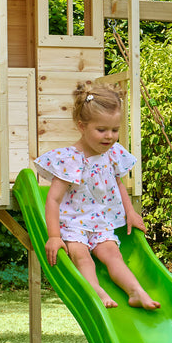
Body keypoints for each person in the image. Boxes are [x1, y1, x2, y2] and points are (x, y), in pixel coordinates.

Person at [34, 83, 160, 310]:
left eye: (114, 129)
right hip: (73, 223)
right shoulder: (70, 159)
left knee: (113, 255)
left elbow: (119, 184)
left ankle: (135, 291)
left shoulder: (113, 154)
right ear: (82, 126)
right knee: (81, 256)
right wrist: (54, 236)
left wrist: (130, 212)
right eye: (102, 130)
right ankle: (96, 290)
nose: (110, 136)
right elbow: (52, 200)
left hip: (101, 221)